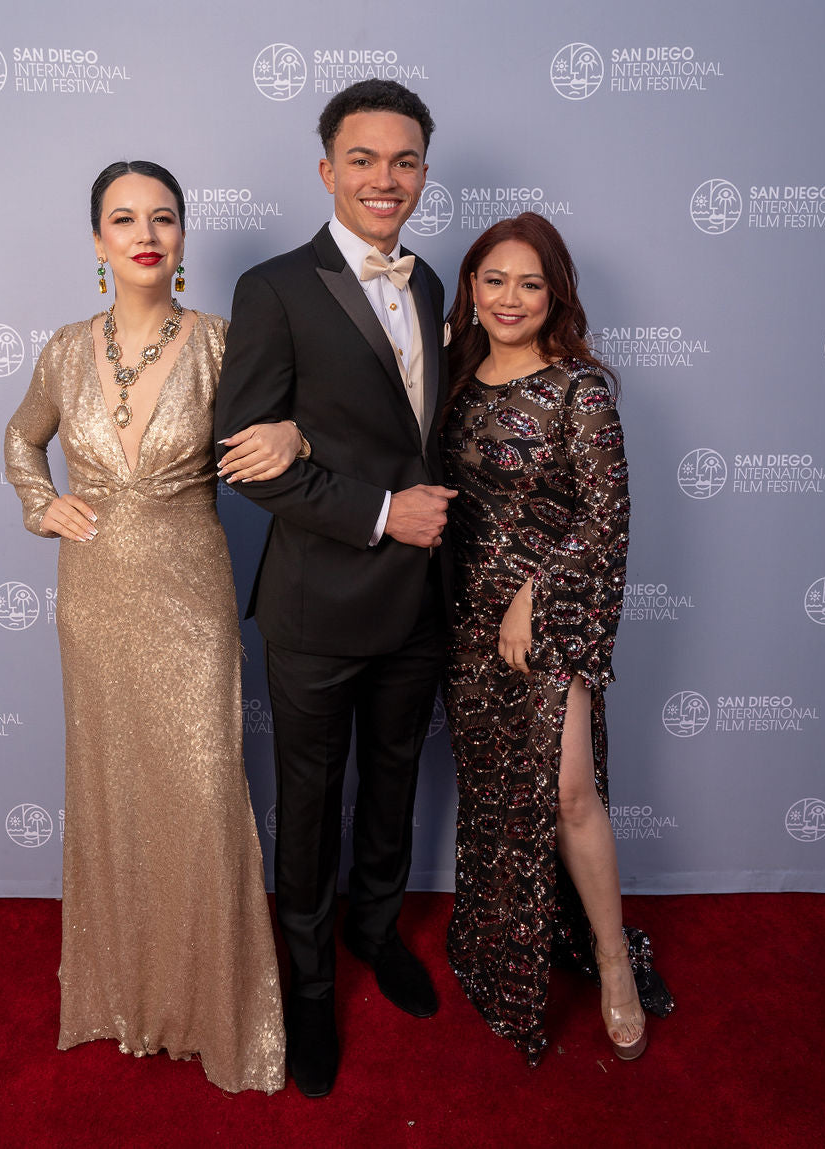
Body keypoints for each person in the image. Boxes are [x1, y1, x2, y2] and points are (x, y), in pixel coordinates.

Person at [4, 160, 301, 1094]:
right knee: (113, 787)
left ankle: (215, 1009)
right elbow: (22, 437)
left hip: (190, 594)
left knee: (204, 790)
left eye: (163, 217)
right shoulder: (63, 350)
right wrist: (40, 503)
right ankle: (126, 995)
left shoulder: (221, 343)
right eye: (124, 218)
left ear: (182, 236)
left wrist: (294, 433)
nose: (145, 234)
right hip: (94, 597)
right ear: (98, 239)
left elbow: (297, 422)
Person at [214, 81, 455, 1098]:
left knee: (394, 783)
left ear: (424, 173)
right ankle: (310, 985)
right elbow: (244, 458)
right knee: (310, 806)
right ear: (327, 171)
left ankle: (376, 931)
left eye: (403, 160)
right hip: (317, 606)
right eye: (363, 159)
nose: (383, 178)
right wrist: (380, 512)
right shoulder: (274, 287)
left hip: (419, 602)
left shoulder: (433, 282)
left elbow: (414, 430)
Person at [440, 212, 673, 1067]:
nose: (511, 298)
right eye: (495, 280)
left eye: (530, 283)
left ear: (556, 295)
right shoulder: (452, 378)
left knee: (571, 790)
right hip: (466, 623)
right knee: (494, 793)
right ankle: (504, 939)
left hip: (552, 614)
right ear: (472, 288)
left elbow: (606, 515)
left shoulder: (580, 390)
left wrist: (533, 598)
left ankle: (612, 961)